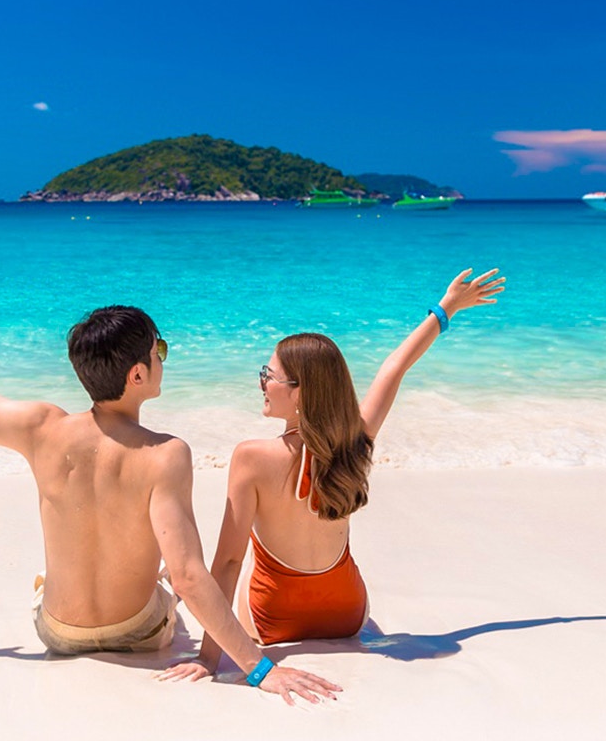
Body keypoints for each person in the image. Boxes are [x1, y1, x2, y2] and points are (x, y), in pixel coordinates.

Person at [0, 268, 339, 704]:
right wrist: (258, 669)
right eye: (160, 351)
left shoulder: (41, 429)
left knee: (69, 576)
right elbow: (190, 576)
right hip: (139, 630)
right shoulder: (164, 453)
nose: (162, 360)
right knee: (163, 577)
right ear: (136, 375)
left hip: (58, 632)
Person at [159, 268, 505, 681]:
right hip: (346, 613)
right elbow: (395, 368)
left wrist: (209, 660)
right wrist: (445, 309)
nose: (261, 383)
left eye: (268, 376)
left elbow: (230, 562)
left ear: (300, 391)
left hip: (273, 619)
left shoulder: (251, 457)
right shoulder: (354, 441)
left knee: (238, 568)